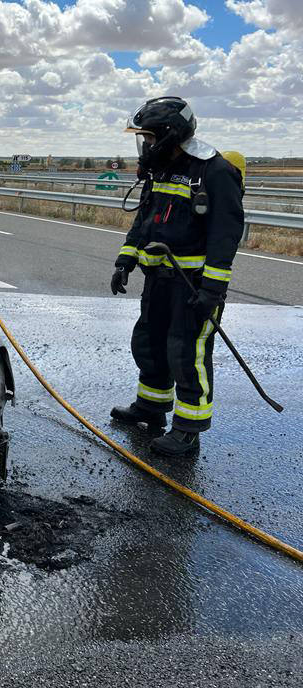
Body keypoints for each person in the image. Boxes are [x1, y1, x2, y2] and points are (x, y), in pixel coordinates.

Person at [110, 96, 244, 456]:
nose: (145, 145)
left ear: (170, 135)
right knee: (150, 344)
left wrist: (212, 290)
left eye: (150, 138)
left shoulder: (215, 172)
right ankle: (151, 407)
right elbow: (146, 220)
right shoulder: (162, 169)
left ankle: (188, 429)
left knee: (187, 354)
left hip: (194, 285)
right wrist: (126, 259)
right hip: (160, 280)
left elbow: (224, 236)